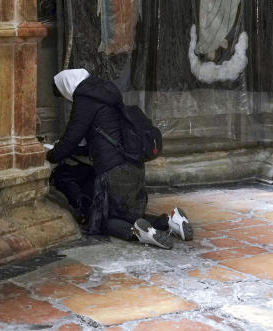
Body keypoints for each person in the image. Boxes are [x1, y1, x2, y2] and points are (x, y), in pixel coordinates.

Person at [46, 68, 192, 249]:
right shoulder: (106, 93)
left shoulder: (84, 99)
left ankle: (138, 233)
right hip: (133, 165)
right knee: (129, 215)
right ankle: (170, 221)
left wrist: (50, 155)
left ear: (66, 86)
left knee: (99, 221)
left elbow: (71, 138)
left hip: (112, 171)